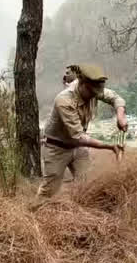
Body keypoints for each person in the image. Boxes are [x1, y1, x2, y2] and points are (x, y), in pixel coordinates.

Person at [37, 63, 127, 199]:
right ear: (82, 84)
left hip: (79, 148)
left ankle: (82, 212)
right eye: (92, 92)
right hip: (56, 148)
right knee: (50, 190)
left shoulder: (94, 89)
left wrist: (120, 116)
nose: (95, 96)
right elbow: (79, 136)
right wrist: (109, 145)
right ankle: (35, 212)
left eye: (97, 93)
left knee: (88, 185)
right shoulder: (64, 100)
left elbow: (116, 98)